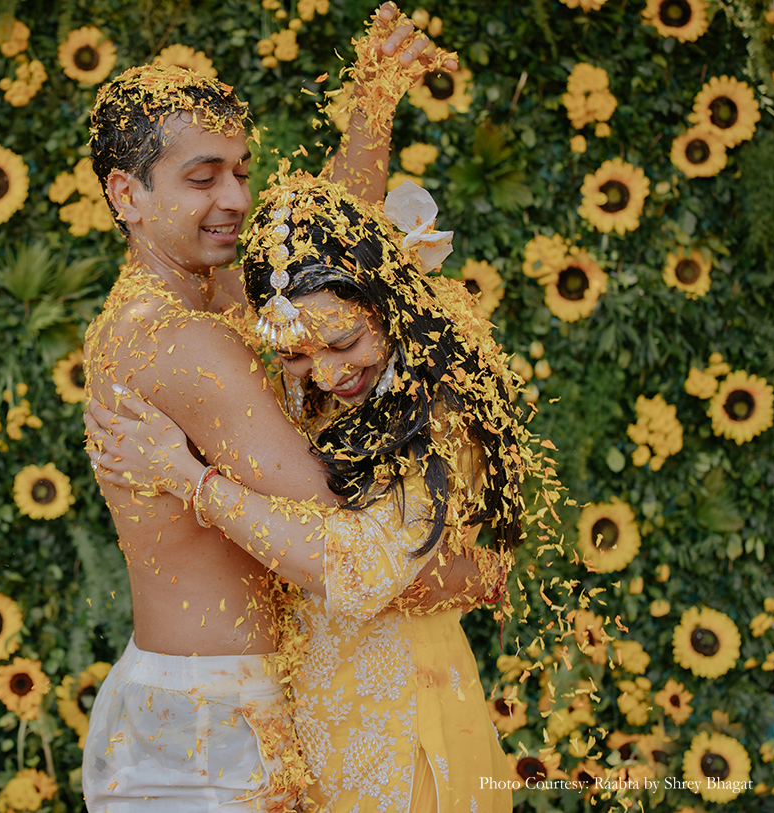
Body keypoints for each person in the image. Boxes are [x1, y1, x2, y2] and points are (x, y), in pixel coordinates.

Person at [77, 7, 479, 810]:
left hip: (216, 701)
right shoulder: (185, 341)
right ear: (127, 193)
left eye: (239, 169)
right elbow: (339, 517)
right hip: (211, 726)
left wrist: (372, 104)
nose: (234, 196)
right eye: (203, 177)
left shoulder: (193, 291)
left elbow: (314, 252)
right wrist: (454, 550)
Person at [86, 170, 540, 811]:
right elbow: (324, 221)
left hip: (405, 726)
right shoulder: (340, 382)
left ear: (387, 300)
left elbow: (359, 565)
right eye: (296, 357)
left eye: (344, 342)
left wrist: (191, 480)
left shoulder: (435, 410)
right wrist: (368, 102)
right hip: (318, 727)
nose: (328, 373)